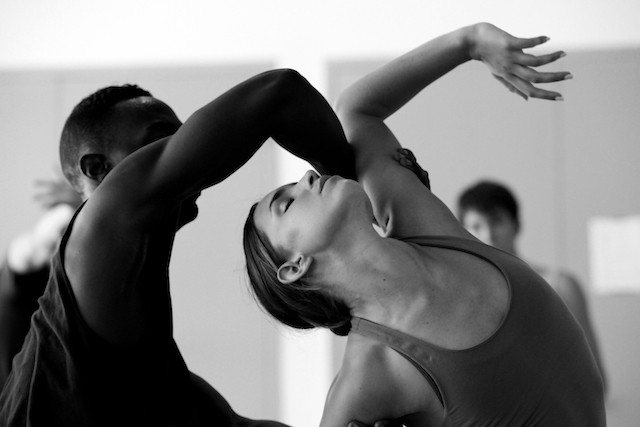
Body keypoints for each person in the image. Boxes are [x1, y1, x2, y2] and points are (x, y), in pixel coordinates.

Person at [244, 23, 606, 426]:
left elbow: (355, 109)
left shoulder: (417, 217)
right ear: (293, 265)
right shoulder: (371, 373)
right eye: (287, 202)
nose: (307, 178)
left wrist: (469, 42)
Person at [0, 70, 389, 426]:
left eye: (183, 134)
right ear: (98, 169)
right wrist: (363, 193)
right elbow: (280, 93)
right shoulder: (101, 225)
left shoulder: (147, 365)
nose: (187, 147)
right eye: (161, 138)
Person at [457, 179, 607, 392]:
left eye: (496, 221)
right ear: (463, 233)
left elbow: (597, 380)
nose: (488, 235)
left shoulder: (560, 286)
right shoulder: (461, 296)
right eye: (476, 226)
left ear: (516, 225)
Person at [0, 176, 82, 389]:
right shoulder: (23, 280)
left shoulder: (74, 293)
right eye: (64, 228)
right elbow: (31, 249)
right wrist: (81, 204)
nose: (66, 238)